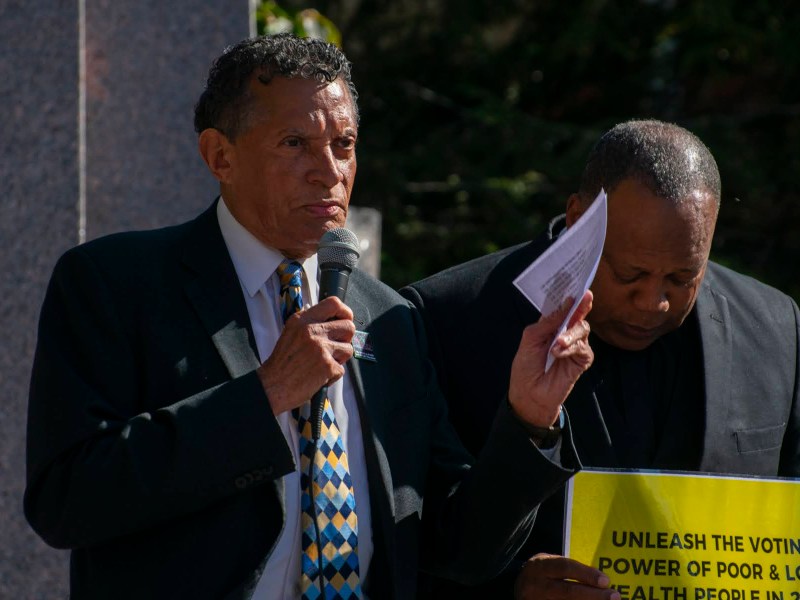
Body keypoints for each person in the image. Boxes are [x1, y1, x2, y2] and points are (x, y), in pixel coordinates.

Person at [24, 34, 598, 600]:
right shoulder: (116, 283)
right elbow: (66, 500)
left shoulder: (390, 316)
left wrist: (529, 418)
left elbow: (454, 547)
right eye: (295, 143)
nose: (329, 171)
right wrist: (265, 395)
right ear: (219, 156)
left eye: (344, 143)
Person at [402, 119, 800, 599]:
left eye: (682, 276)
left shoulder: (777, 328)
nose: (654, 302)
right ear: (577, 219)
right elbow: (409, 542)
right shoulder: (447, 320)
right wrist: (512, 588)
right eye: (630, 273)